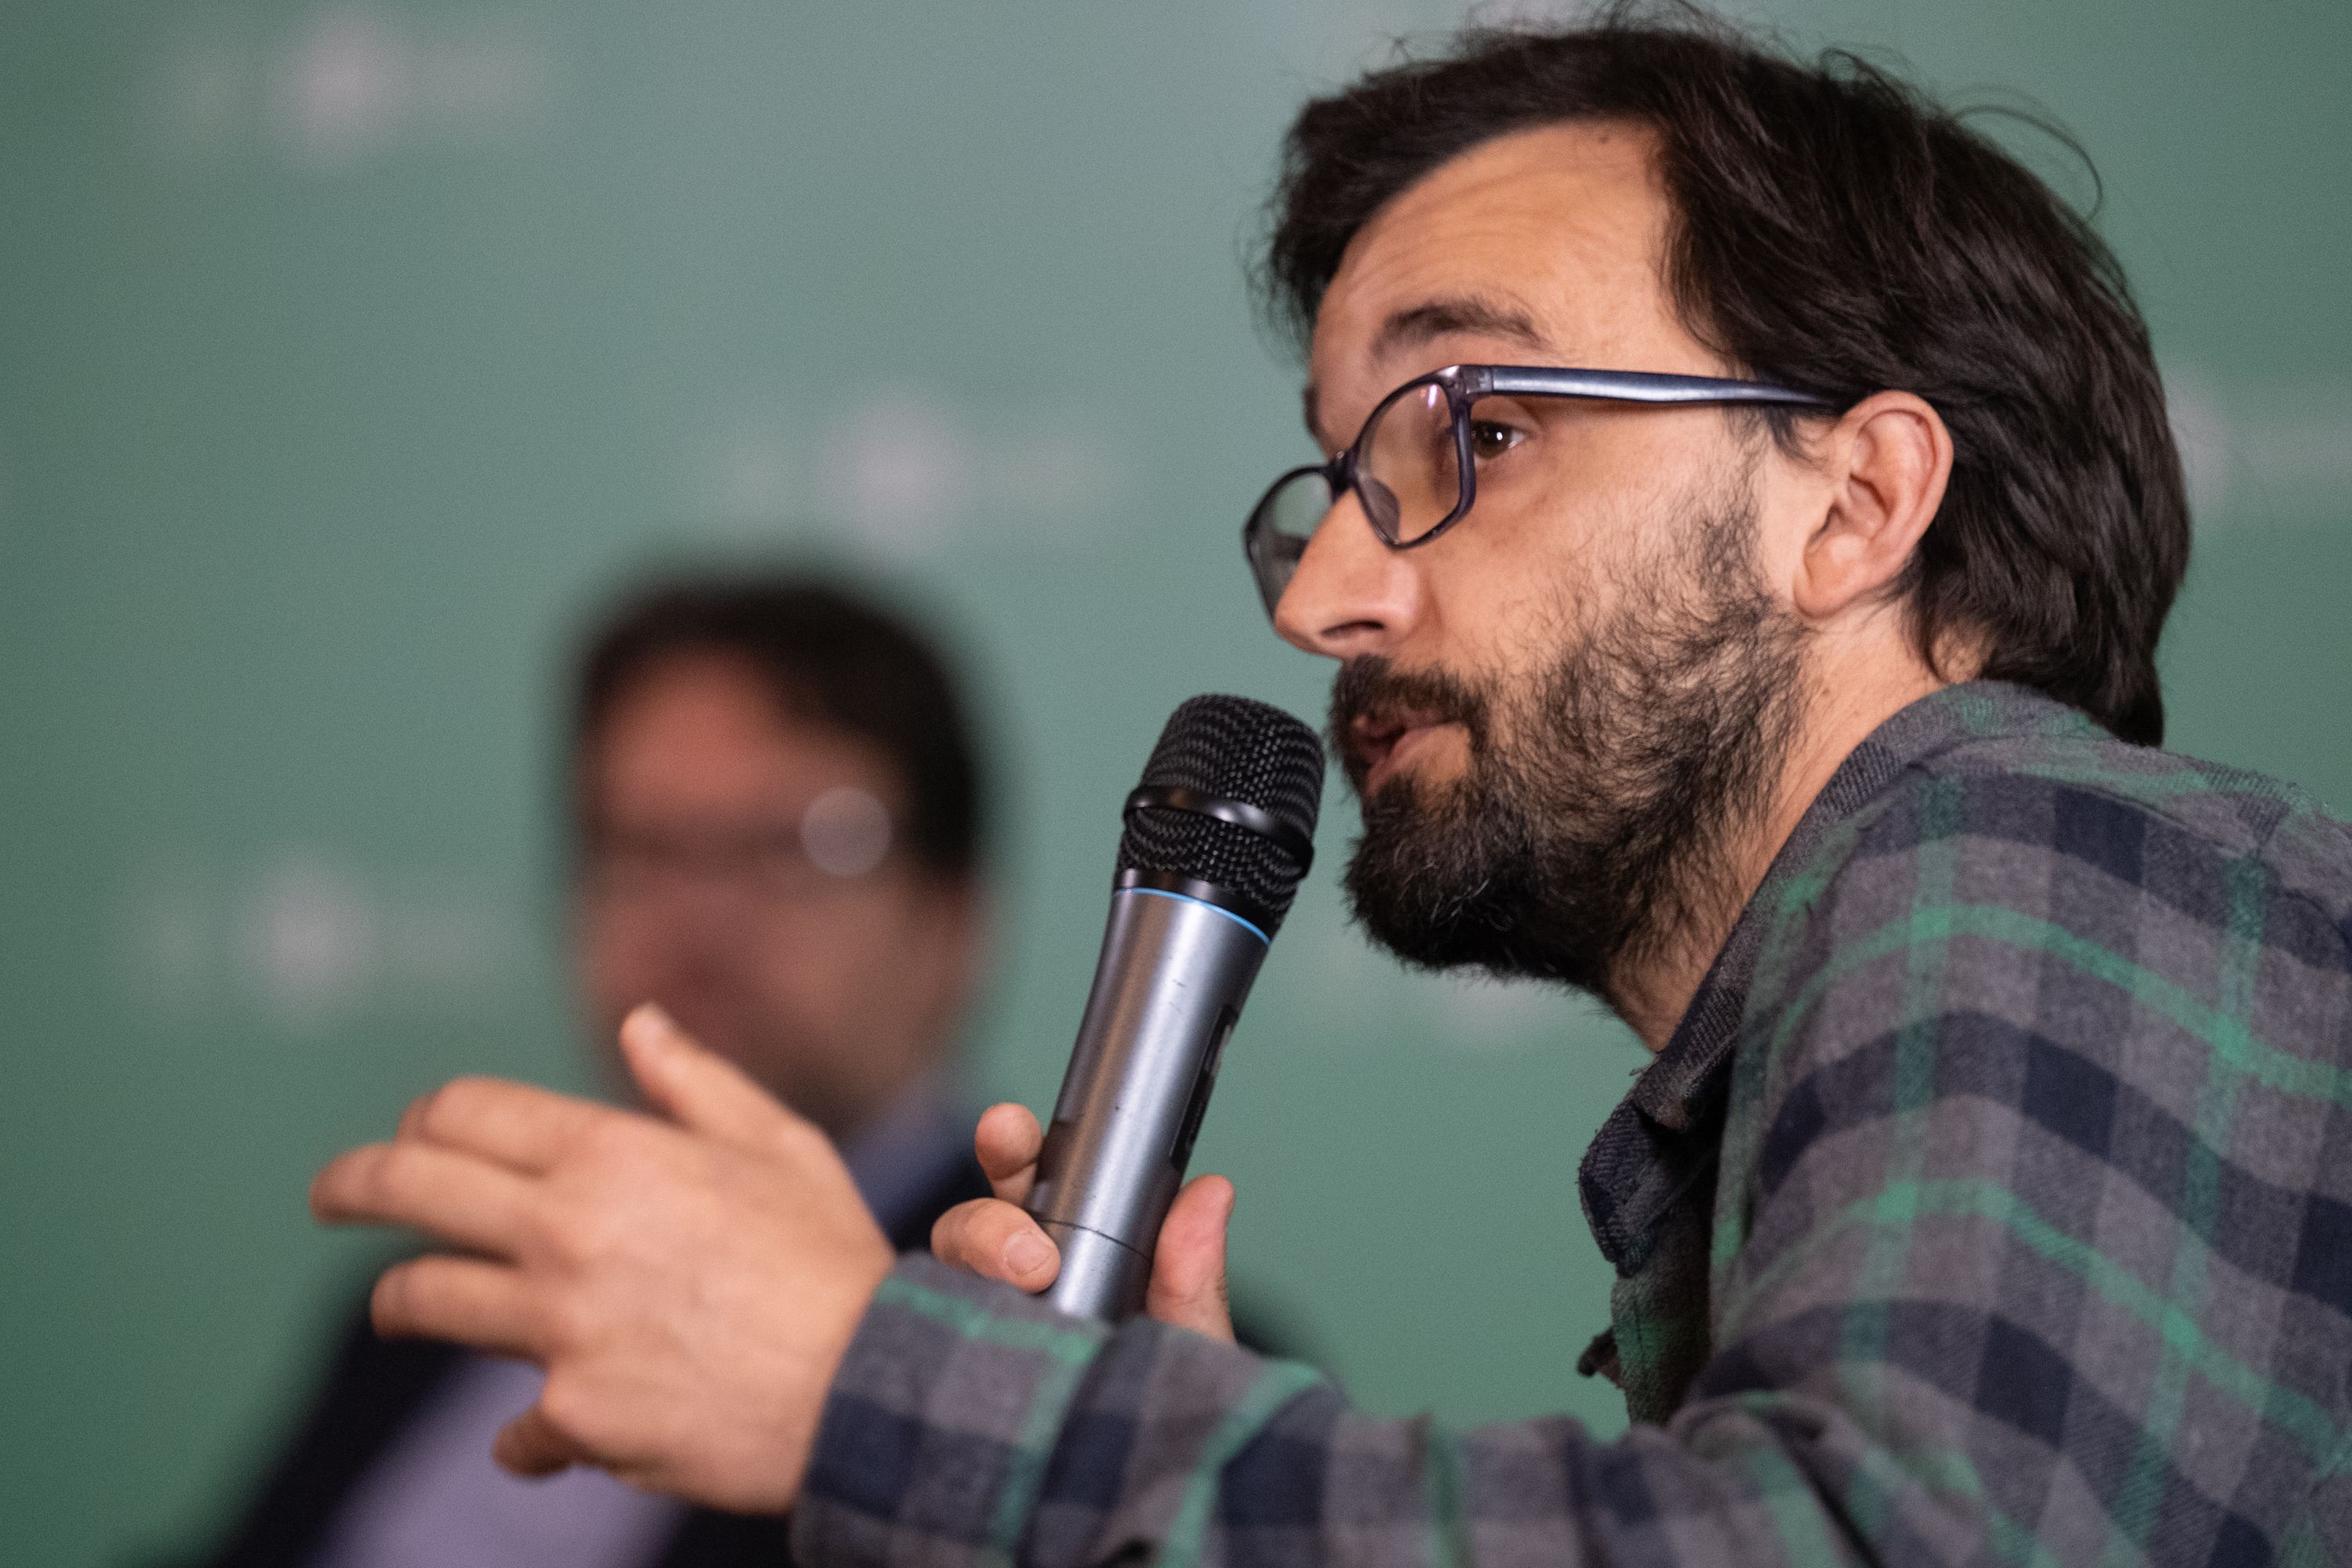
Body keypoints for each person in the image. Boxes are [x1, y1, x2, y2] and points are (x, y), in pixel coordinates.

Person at [307, 11, 2352, 1566]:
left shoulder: (2046, 850)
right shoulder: (1827, 1069)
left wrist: (881, 1389)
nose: (1330, 596)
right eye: (1339, 475)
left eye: (1472, 424)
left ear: (1858, 501)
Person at [198, 574, 994, 1567]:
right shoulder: (447, 1291)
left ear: (952, 920)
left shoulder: (1077, 1364)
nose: (700, 917)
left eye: (793, 848)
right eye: (643, 845)